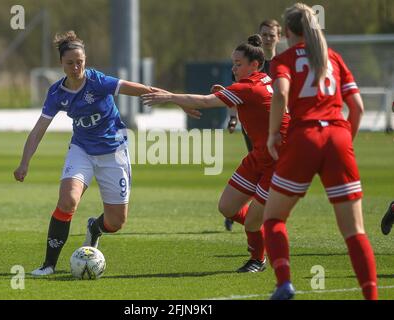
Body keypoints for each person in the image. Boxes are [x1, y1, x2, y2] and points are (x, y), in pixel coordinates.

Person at [13, 31, 199, 276]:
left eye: (80, 61)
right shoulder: (56, 93)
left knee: (116, 222)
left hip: (114, 152)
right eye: (70, 63)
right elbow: (38, 130)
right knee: (68, 201)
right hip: (81, 150)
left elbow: (142, 90)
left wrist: (176, 100)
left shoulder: (98, 82)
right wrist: (24, 162)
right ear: (61, 64)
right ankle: (48, 264)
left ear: (85, 60)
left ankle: (95, 228)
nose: (76, 66)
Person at [143, 35, 290, 273]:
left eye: (238, 63)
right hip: (259, 156)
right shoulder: (265, 80)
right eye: (232, 63)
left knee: (252, 221)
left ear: (255, 64)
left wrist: (170, 97)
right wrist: (230, 98)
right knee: (227, 207)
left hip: (278, 160)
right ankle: (264, 228)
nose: (233, 68)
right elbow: (251, 104)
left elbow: (205, 101)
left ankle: (258, 259)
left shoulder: (248, 87)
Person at [263, 3, 377, 300]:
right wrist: (344, 140)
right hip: (338, 136)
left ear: (287, 31)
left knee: (273, 219)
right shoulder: (333, 58)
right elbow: (358, 108)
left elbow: (281, 93)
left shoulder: (285, 59)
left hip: (304, 138)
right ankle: (372, 296)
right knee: (354, 232)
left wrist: (274, 133)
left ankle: (284, 283)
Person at [224, 19, 282, 232]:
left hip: (278, 133)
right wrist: (232, 118)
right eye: (264, 34)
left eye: (271, 35)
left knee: (269, 173)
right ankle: (245, 211)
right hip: (255, 130)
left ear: (279, 38)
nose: (267, 38)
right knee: (257, 169)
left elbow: (287, 95)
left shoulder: (283, 64)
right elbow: (234, 94)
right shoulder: (244, 62)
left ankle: (257, 220)